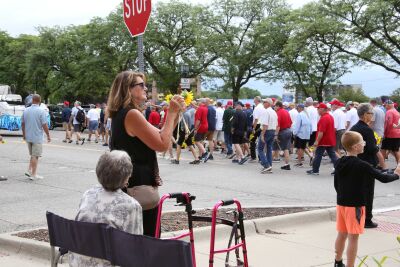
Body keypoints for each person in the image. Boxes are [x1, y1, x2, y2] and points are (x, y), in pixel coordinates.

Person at [107, 71, 183, 237]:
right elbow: (162, 145)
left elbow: (162, 134)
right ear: (128, 89)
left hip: (128, 185)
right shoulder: (132, 114)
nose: (146, 88)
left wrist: (175, 113)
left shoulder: (124, 113)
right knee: (147, 240)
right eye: (141, 85)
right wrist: (170, 113)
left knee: (134, 239)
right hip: (137, 187)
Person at [333, 131, 399, 267]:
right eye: (362, 142)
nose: (364, 144)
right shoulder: (362, 165)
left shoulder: (339, 162)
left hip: (341, 204)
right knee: (353, 238)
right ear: (356, 147)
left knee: (342, 234)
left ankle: (338, 261)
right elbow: (384, 178)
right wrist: (397, 174)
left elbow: (336, 184)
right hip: (356, 206)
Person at [69, 150, 143, 267]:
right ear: (125, 178)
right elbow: (135, 248)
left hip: (78, 262)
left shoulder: (88, 194)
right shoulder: (132, 205)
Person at [350, 103, 382, 228]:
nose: (372, 115)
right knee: (367, 192)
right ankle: (367, 219)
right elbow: (372, 148)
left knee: (357, 191)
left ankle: (357, 217)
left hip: (356, 162)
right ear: (364, 115)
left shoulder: (354, 127)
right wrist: (376, 145)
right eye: (371, 113)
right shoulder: (367, 130)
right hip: (367, 163)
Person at [21, 94, 51, 180]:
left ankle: (29, 170)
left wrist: (24, 135)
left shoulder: (26, 110)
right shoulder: (41, 111)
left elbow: (22, 124)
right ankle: (33, 174)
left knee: (32, 155)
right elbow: (44, 125)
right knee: (35, 156)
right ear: (39, 101)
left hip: (28, 136)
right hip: (37, 137)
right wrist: (48, 135)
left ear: (32, 100)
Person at [307, 103, 337, 175]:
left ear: (322, 109)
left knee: (318, 155)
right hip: (330, 139)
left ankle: (315, 170)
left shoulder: (324, 118)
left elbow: (321, 132)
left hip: (323, 140)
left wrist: (317, 141)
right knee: (332, 156)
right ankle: (338, 169)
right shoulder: (330, 116)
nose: (317, 110)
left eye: (318, 108)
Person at [259, 98, 278, 173]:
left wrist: (262, 135)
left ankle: (266, 165)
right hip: (272, 131)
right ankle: (269, 165)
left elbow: (265, 125)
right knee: (269, 148)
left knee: (260, 148)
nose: (263, 103)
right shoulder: (274, 112)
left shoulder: (266, 111)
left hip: (267, 131)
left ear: (268, 103)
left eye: (264, 102)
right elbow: (276, 125)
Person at [273, 101, 292, 170]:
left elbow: (278, 125)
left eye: (274, 106)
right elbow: (290, 122)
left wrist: (275, 135)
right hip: (288, 131)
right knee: (286, 149)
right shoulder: (286, 111)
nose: (274, 107)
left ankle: (267, 164)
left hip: (282, 132)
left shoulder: (278, 113)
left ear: (278, 106)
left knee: (274, 148)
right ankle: (287, 164)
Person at [251, 96, 265, 162]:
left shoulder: (257, 108)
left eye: (254, 100)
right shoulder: (262, 107)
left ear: (256, 100)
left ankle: (253, 157)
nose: (253, 101)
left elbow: (256, 119)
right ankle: (260, 157)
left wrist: (253, 128)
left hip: (256, 125)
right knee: (260, 141)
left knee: (252, 140)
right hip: (262, 125)